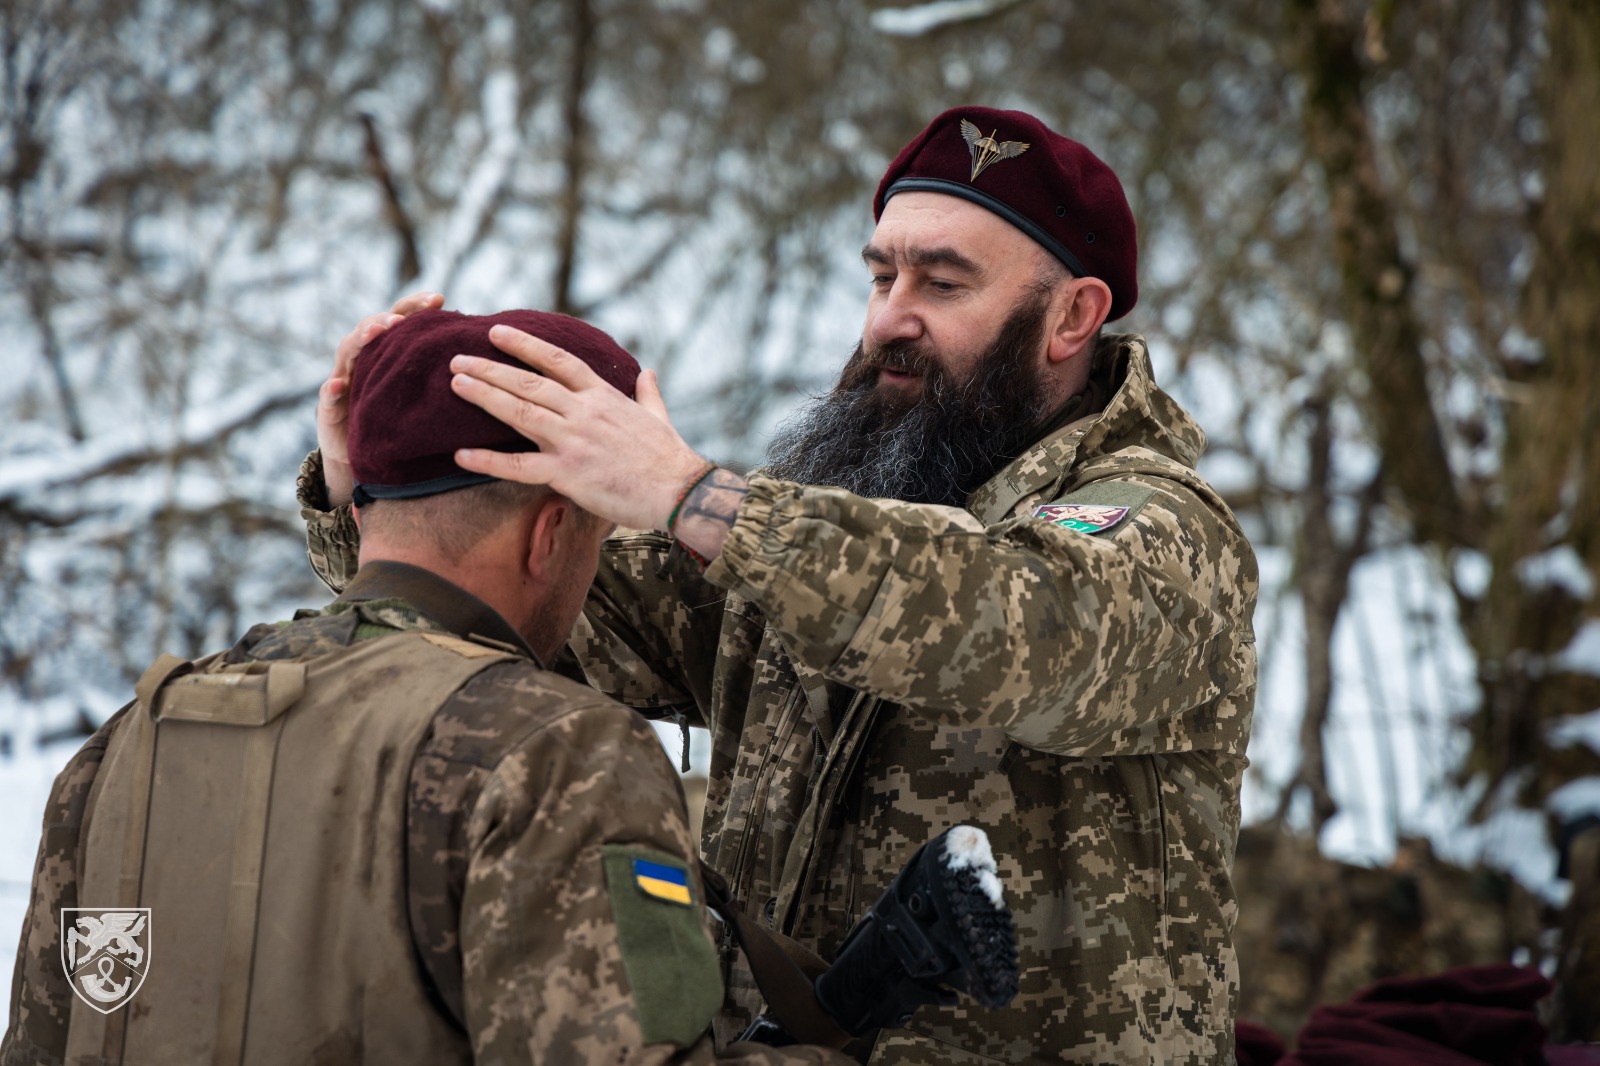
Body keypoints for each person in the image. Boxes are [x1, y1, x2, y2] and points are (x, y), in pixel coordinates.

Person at [300, 106, 1259, 1064]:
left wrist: (689, 495)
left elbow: (1023, 624)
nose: (890, 318)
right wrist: (374, 502)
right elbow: (542, 599)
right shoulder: (820, 528)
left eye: (943, 281)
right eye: (881, 275)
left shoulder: (1166, 530)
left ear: (1073, 317)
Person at [0, 310, 869, 1066]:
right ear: (552, 532)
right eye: (598, 542)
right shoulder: (556, 753)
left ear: (362, 507)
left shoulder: (129, 741)